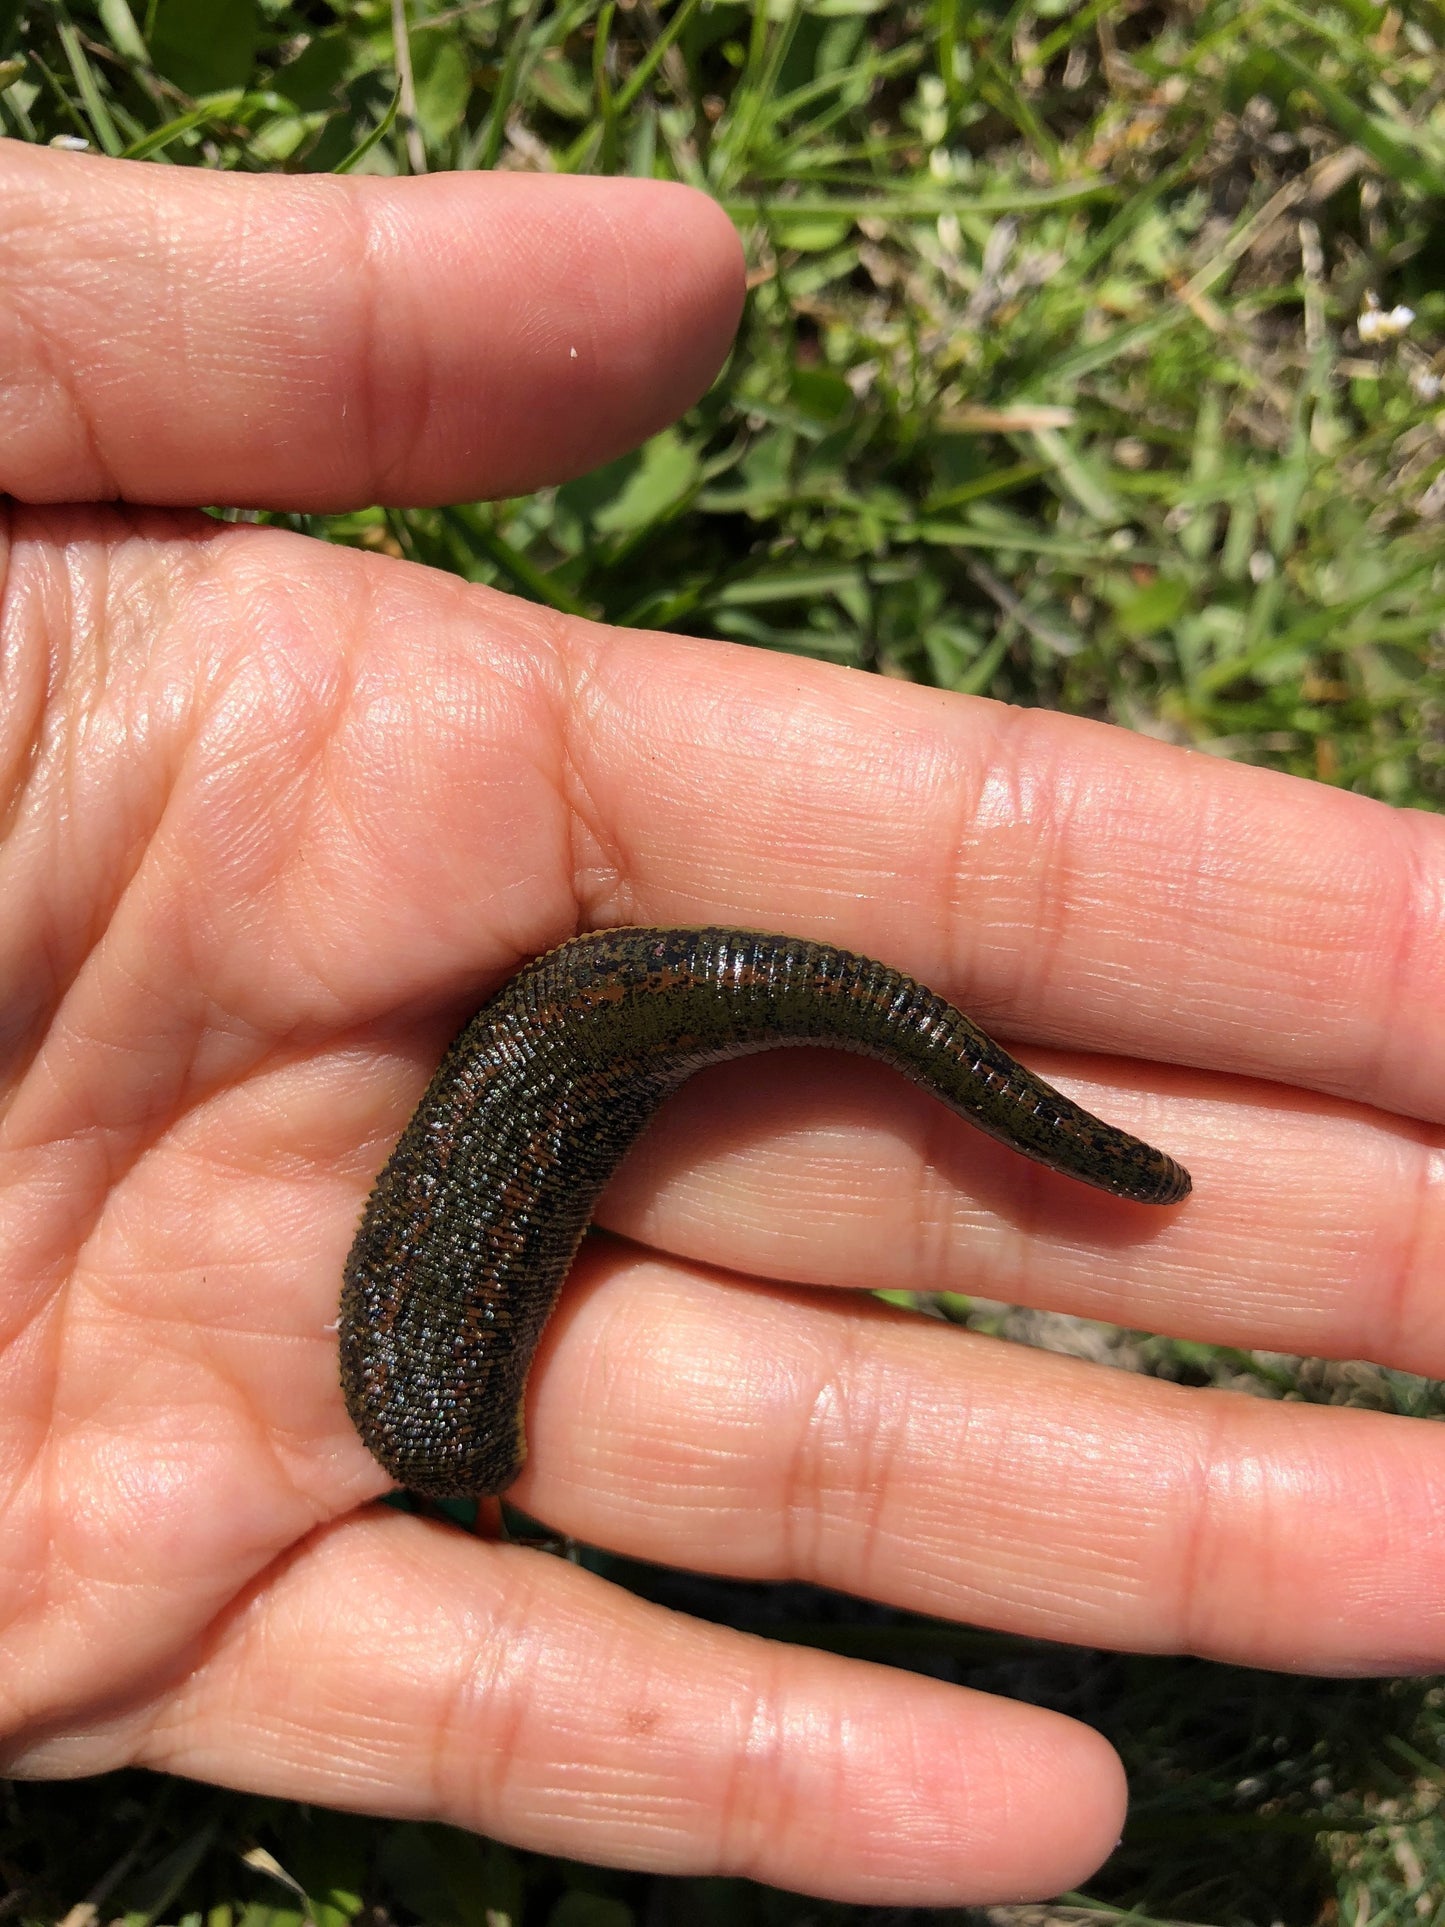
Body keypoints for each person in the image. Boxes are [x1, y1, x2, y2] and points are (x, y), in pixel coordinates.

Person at [0, 139, 1439, 1910]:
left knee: (457, 1379)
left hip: (561, 1103)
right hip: (548, 1125)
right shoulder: (431, 1371)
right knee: (454, 1382)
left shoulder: (440, 1357)